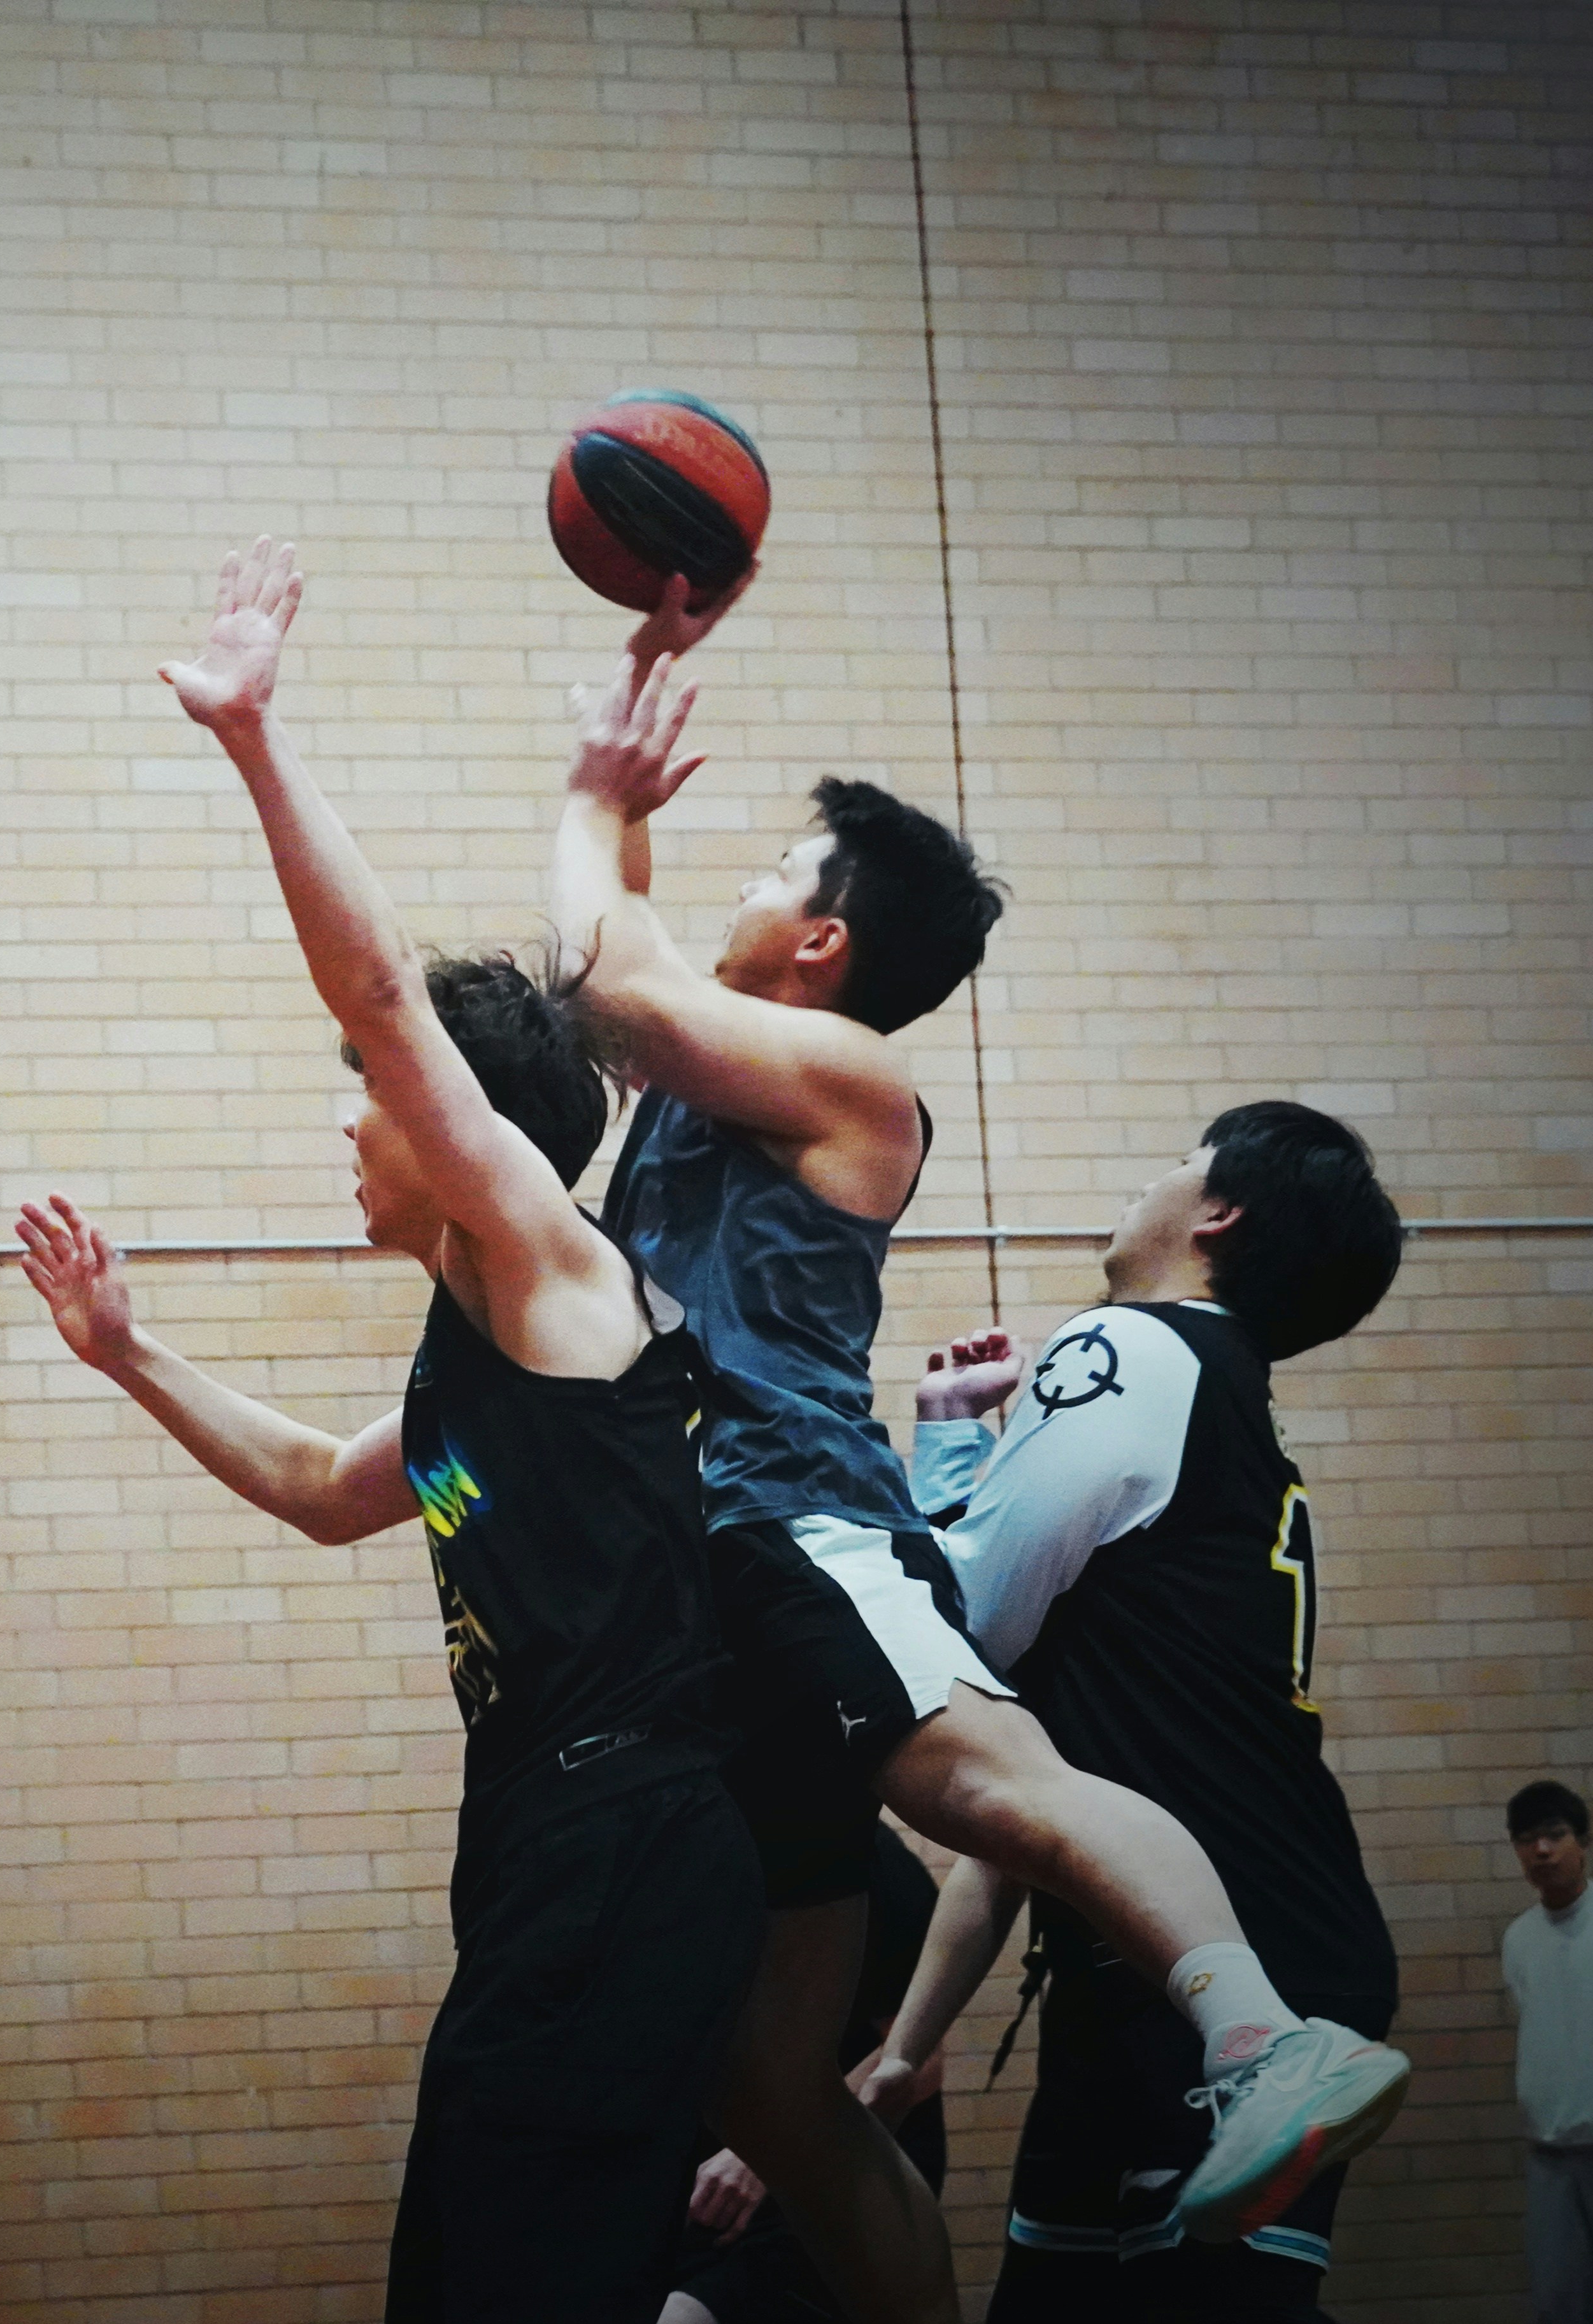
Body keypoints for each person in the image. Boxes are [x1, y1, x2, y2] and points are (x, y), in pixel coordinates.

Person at [549, 604, 1408, 2320]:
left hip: (793, 1530)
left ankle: (1255, 2038)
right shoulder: (706, 1069)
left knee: (992, 1790)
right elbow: (633, 970)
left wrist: (582, 799)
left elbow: (608, 977)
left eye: (777, 866)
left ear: (820, 943)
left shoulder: (854, 1080)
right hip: (698, 1603)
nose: (741, 882)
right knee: (774, 2093)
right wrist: (627, 794)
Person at [17, 539, 762, 2323]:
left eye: (372, 1101)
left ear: (453, 1123)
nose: (350, 1126)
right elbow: (312, 1489)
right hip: (549, 1859)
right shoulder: (469, 1364)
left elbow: (374, 998)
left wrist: (253, 740)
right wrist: (126, 1354)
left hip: (624, 1843)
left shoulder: (551, 1272)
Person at [857, 1102, 1413, 2320]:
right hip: (1140, 1969)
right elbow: (1024, 1805)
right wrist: (903, 2051)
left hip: (1243, 1953)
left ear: (1219, 1212)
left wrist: (914, 1467)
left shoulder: (1131, 1342)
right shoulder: (1219, 1391)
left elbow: (969, 1622)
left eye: (1179, 1160)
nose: (1147, 1179)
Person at [660, 1825, 950, 2324]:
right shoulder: (685, 1861)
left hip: (831, 2183)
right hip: (719, 2186)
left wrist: (769, 2153)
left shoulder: (868, 1863)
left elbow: (920, 2064)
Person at [1502, 1779, 1593, 2324]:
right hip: (1549, 2152)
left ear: (1583, 1841)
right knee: (1558, 2303)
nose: (1543, 1851)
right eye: (1528, 1839)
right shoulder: (1520, 1937)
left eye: (1554, 1835)